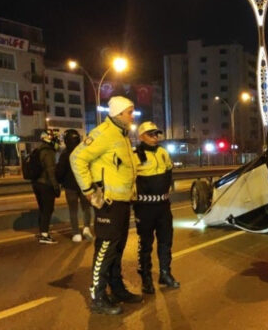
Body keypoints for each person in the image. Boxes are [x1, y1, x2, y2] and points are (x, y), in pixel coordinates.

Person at [71, 96, 142, 315]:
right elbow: (77, 158)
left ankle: (117, 288)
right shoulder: (103, 133)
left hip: (121, 202)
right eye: (130, 112)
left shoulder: (121, 136)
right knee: (105, 248)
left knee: (117, 248)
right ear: (118, 113)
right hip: (107, 203)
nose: (132, 116)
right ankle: (97, 295)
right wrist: (89, 191)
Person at [133, 121, 180, 294]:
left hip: (163, 205)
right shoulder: (135, 155)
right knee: (145, 243)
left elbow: (169, 170)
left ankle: (165, 273)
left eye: (156, 134)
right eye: (150, 134)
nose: (155, 137)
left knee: (166, 240)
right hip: (145, 207)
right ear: (141, 136)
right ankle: (146, 277)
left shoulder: (162, 152)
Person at [56, 129, 94, 243]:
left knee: (73, 210)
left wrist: (61, 181)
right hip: (84, 186)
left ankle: (76, 233)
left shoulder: (65, 155)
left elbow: (59, 172)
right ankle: (87, 227)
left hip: (70, 187)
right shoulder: (84, 152)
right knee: (86, 208)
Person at [32, 130, 60, 244]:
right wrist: (56, 187)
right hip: (45, 184)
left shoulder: (38, 150)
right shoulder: (49, 152)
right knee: (48, 209)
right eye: (55, 140)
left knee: (43, 209)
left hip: (36, 183)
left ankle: (42, 231)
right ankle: (44, 235)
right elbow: (51, 171)